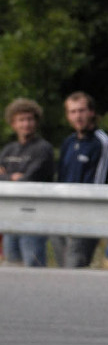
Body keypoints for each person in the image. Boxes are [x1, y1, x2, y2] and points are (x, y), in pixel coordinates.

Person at [53, 91, 108, 268]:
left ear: (91, 112)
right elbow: (61, 177)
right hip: (62, 210)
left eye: (81, 110)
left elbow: (99, 181)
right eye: (73, 111)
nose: (77, 116)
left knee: (75, 263)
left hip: (86, 211)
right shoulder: (68, 142)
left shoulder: (101, 141)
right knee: (61, 264)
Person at [1, 98, 54, 266]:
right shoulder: (9, 150)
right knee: (12, 263)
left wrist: (9, 176)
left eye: (30, 119)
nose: (26, 124)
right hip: (10, 215)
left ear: (36, 121)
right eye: (21, 120)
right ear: (13, 124)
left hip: (34, 215)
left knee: (32, 264)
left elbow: (29, 178)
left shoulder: (43, 148)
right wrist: (12, 177)